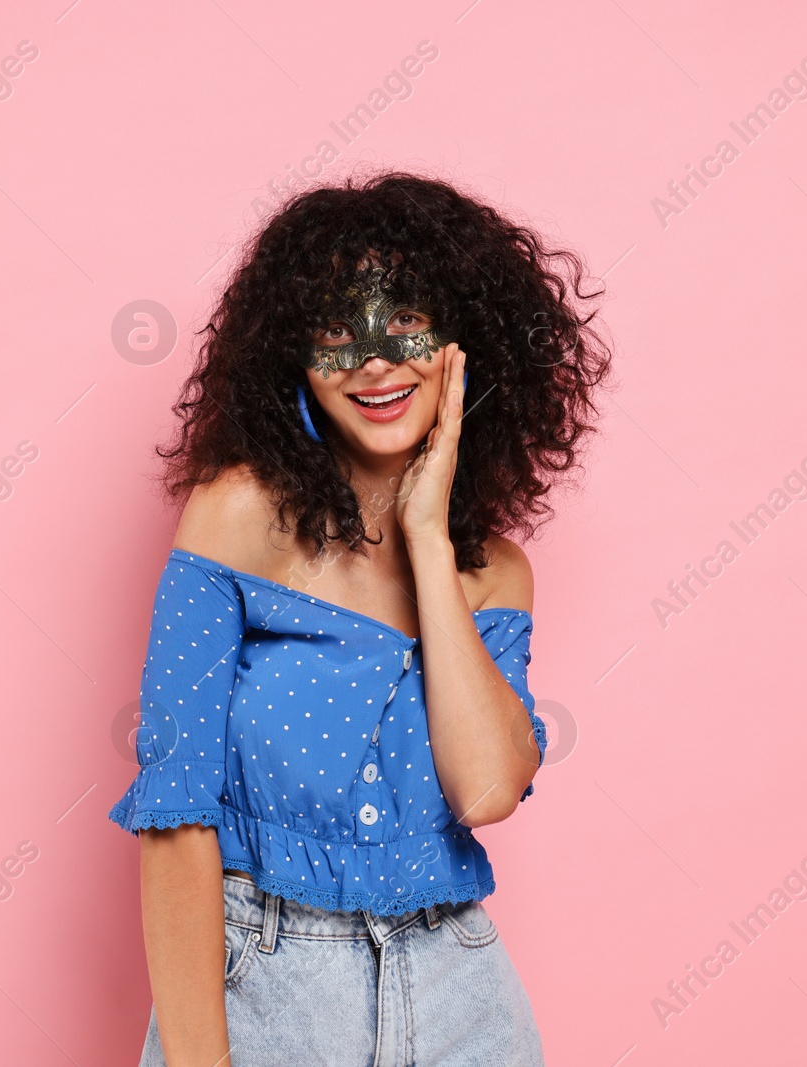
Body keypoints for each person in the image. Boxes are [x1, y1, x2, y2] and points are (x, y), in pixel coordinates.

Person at [108, 171, 615, 1065]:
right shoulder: (234, 520)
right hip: (264, 991)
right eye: (338, 332)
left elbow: (489, 789)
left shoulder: (494, 574)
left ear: (463, 342)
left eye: (406, 319)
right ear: (292, 358)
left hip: (460, 993)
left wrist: (425, 536)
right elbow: (176, 812)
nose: (376, 360)